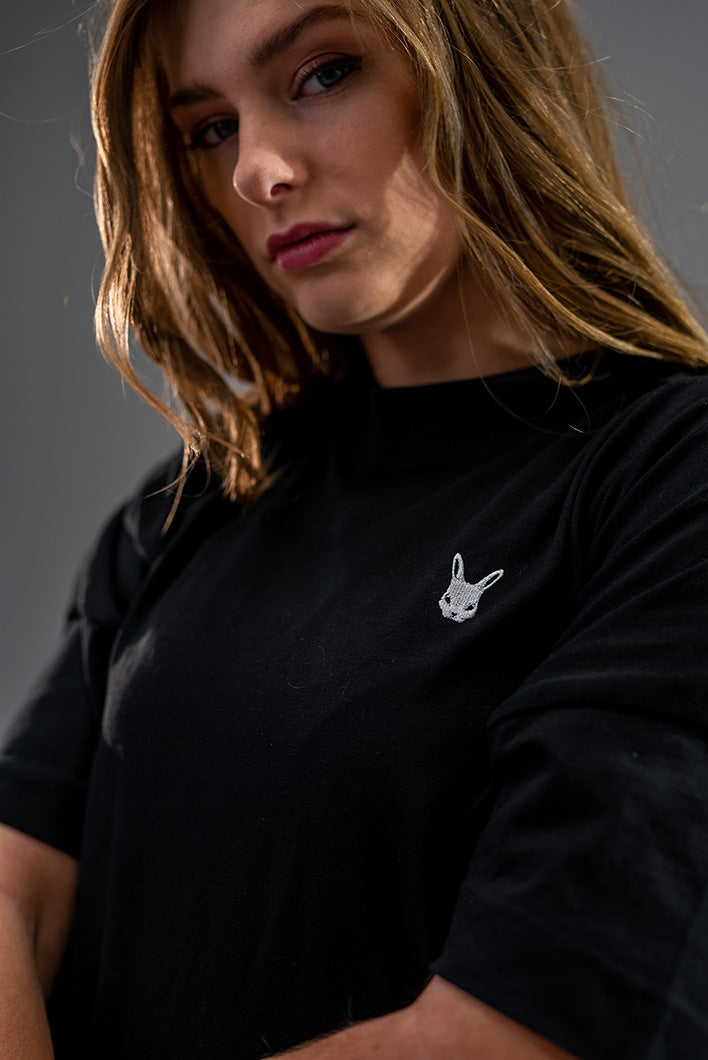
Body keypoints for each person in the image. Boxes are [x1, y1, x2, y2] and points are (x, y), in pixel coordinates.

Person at [1, 0, 708, 1056]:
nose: (256, 171)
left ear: (481, 62)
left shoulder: (667, 476)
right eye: (211, 127)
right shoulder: (194, 502)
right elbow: (11, 890)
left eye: (324, 73)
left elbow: (518, 1031)